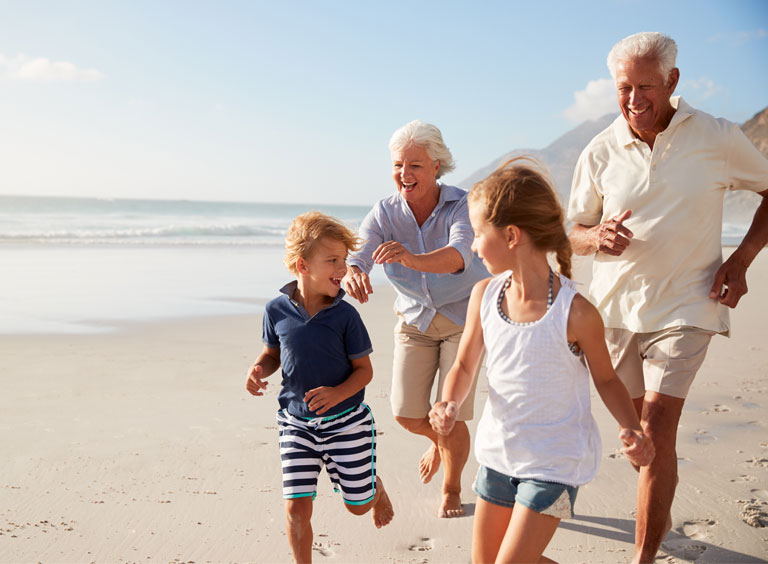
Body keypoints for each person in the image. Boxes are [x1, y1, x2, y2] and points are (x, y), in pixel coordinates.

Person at [567, 32, 768, 563]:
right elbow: (572, 230)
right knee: (641, 444)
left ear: (673, 81)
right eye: (624, 88)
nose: (634, 100)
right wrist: (595, 237)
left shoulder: (717, 137)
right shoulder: (600, 149)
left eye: (645, 87)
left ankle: (643, 557)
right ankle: (661, 492)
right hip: (614, 313)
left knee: (655, 430)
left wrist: (741, 260)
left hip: (688, 304)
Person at [428, 159, 655, 564]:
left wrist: (632, 428)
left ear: (512, 235)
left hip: (555, 463)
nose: (474, 246)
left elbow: (606, 380)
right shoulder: (484, 295)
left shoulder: (576, 313)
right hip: (498, 454)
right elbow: (464, 366)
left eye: (479, 234)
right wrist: (449, 403)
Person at [343, 120, 489, 518]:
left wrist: (410, 257)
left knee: (448, 412)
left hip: (464, 320)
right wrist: (354, 270)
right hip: (415, 322)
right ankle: (439, 440)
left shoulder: (462, 204)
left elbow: (460, 254)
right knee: (407, 413)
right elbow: (359, 251)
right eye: (398, 165)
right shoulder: (384, 212)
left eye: (416, 166)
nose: (404, 175)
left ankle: (452, 488)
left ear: (437, 166)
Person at [246, 212, 394, 564]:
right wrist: (258, 369)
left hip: (347, 422)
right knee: (297, 507)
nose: (342, 269)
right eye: (333, 261)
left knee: (357, 507)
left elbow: (364, 371)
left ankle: (375, 487)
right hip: (295, 424)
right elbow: (272, 354)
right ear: (303, 265)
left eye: (344, 260)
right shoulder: (276, 310)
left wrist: (338, 394)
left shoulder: (345, 316)